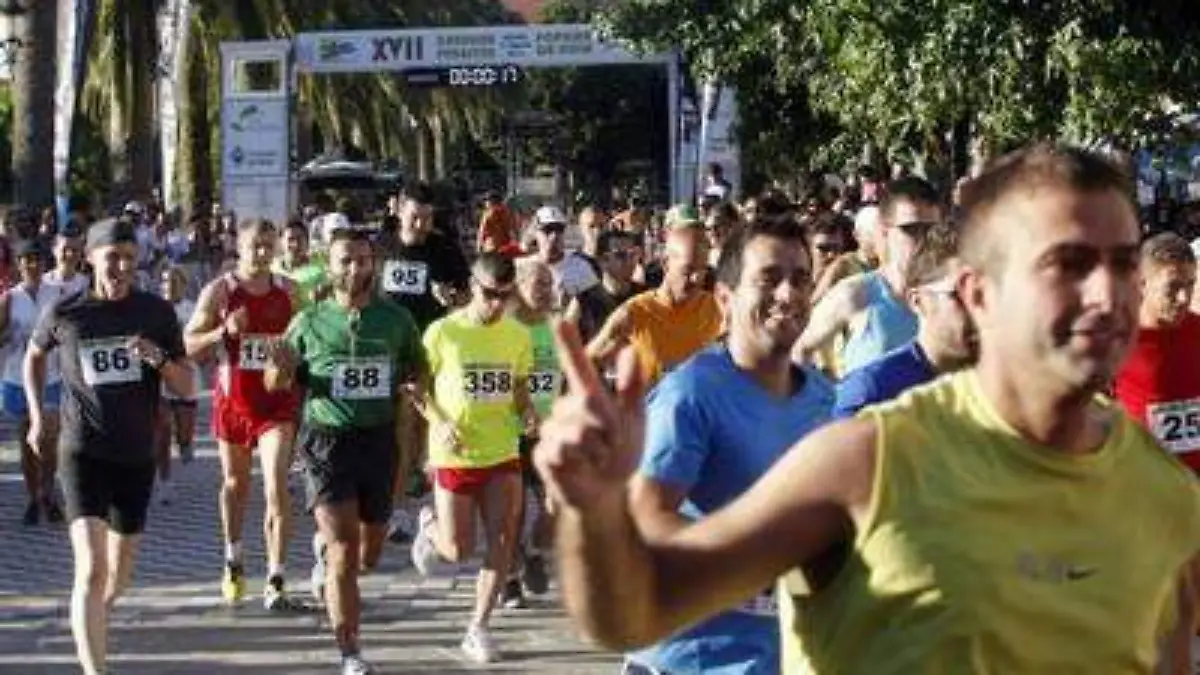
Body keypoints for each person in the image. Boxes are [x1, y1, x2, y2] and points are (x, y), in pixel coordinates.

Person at [534, 145, 1200, 673]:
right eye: (1068, 263)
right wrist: (594, 509)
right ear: (978, 294)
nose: (1106, 292)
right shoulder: (866, 461)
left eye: (1121, 263)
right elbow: (636, 611)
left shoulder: (1167, 496)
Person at [623, 219, 834, 675]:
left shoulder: (824, 398)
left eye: (800, 280)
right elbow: (645, 518)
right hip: (683, 660)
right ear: (724, 298)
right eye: (769, 278)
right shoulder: (692, 393)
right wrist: (755, 561)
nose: (788, 295)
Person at [25, 218, 193, 675]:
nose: (120, 267)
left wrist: (157, 358)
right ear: (90, 257)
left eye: (129, 259)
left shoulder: (155, 312)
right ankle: (95, 668)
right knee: (92, 569)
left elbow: (186, 382)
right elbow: (33, 356)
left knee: (118, 577)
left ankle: (93, 616)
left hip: (136, 456)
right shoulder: (66, 312)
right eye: (112, 257)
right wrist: (39, 415)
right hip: (82, 453)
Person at [265, 227, 425, 675]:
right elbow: (275, 384)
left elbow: (416, 367)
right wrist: (279, 370)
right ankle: (350, 653)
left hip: (379, 440)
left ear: (373, 264)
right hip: (326, 442)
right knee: (343, 549)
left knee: (368, 556)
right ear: (328, 265)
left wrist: (415, 385)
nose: (355, 268)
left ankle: (331, 564)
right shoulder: (309, 321)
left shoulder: (395, 320)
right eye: (345, 260)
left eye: (362, 260)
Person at [410, 252, 539, 664]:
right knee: (457, 549)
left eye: (505, 295)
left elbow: (518, 384)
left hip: (502, 449)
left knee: (503, 538)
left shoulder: (518, 335)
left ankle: (478, 627)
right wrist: (437, 422)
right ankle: (429, 528)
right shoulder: (442, 332)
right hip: (455, 453)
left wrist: (527, 410)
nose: (496, 304)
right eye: (488, 295)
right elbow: (417, 388)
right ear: (471, 286)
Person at [185, 218, 301, 610]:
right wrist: (223, 333)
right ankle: (233, 557)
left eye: (271, 245)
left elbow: (309, 340)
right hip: (233, 402)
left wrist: (293, 358)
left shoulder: (291, 292)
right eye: (256, 245)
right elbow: (187, 346)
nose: (264, 253)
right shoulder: (220, 292)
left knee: (275, 485)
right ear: (239, 246)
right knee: (236, 484)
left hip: (276, 404)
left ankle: (277, 576)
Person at [378, 182, 470, 542]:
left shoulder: (444, 249)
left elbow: (467, 296)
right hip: (389, 348)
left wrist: (451, 296)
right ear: (399, 210)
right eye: (415, 217)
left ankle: (432, 504)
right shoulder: (381, 246)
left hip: (434, 348)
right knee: (402, 427)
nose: (420, 225)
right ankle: (398, 509)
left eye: (427, 218)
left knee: (428, 426)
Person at [795, 178, 943, 376]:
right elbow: (799, 352)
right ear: (884, 232)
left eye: (931, 230)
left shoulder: (950, 297)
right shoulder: (856, 295)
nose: (923, 240)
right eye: (911, 230)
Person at [834, 222, 976, 418]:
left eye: (983, 294)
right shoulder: (872, 392)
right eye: (959, 295)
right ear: (917, 302)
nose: (977, 309)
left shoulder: (1003, 386)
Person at [587, 225, 721, 387]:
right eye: (688, 270)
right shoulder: (635, 313)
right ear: (665, 263)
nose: (697, 279)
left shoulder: (717, 309)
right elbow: (586, 361)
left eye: (703, 269)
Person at [1113, 232, 1200, 472]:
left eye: (1190, 285)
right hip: (1143, 488)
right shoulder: (1114, 341)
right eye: (1172, 287)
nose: (1183, 298)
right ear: (1141, 284)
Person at [503, 257, 562, 609]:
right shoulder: (506, 329)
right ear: (518, 287)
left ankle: (536, 551)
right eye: (537, 284)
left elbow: (566, 374)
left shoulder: (557, 326)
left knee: (558, 504)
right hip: (510, 433)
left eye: (548, 284)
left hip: (549, 432)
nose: (545, 291)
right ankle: (510, 579)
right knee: (513, 512)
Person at [1, 239, 67, 525]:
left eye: (37, 260)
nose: (33, 266)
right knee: (27, 441)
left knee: (49, 439)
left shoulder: (57, 293)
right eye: (26, 260)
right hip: (16, 377)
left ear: (44, 263)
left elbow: (69, 329)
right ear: (18, 265)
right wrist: (10, 337)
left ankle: (49, 493)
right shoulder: (9, 298)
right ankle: (32, 497)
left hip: (51, 375)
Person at [153, 265, 201, 505]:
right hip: (160, 377)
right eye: (164, 280)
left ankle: (185, 443)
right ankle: (165, 481)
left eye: (174, 281)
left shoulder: (193, 310)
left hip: (186, 376)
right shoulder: (152, 309)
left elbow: (199, 342)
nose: (169, 285)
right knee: (162, 430)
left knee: (183, 433)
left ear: (183, 284)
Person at [565, 230, 643, 346]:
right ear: (602, 261)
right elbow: (565, 347)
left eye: (633, 254)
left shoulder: (645, 297)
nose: (629, 261)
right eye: (620, 255)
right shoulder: (583, 301)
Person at [530, 205, 599, 307]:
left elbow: (596, 306)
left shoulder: (581, 266)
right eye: (547, 230)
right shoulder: (524, 266)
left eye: (559, 229)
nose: (554, 236)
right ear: (535, 234)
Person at [274, 218, 328, 310]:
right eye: (290, 239)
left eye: (300, 239)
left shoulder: (321, 268)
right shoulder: (272, 268)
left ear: (307, 241)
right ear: (281, 242)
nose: (295, 244)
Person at [43, 221, 89, 297]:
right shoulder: (44, 282)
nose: (69, 254)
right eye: (65, 249)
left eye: (75, 250)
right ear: (54, 250)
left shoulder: (85, 284)